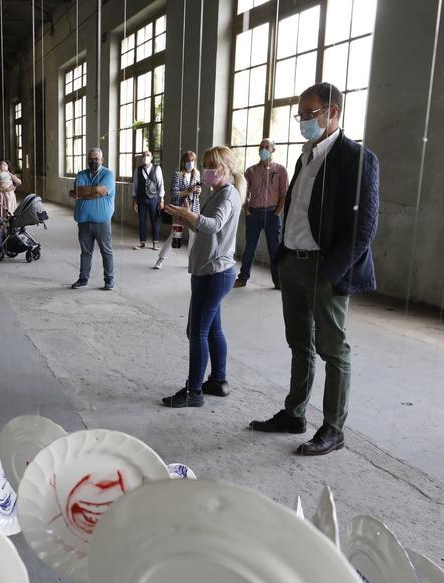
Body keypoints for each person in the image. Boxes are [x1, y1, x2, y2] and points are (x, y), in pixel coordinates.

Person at [249, 82, 380, 457]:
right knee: (299, 343)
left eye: (311, 113)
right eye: (301, 114)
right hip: (293, 262)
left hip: (326, 269)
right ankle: (294, 413)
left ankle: (334, 428)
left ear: (333, 112)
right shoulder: (304, 157)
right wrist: (283, 257)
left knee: (333, 348)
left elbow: (365, 226)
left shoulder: (357, 158)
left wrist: (331, 273)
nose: (304, 121)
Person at [160, 146, 245, 407]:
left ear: (227, 168)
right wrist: (185, 217)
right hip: (211, 270)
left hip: (214, 272)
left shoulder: (228, 195)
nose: (208, 171)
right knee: (212, 329)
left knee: (196, 331)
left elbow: (214, 224)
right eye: (206, 165)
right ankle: (218, 381)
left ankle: (193, 391)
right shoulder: (219, 193)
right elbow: (205, 228)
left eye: (213, 166)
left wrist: (190, 215)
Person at [237, 139, 289, 289]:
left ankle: (278, 281)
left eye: (267, 147)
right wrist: (246, 210)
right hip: (253, 214)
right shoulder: (251, 171)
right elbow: (244, 192)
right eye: (261, 147)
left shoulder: (280, 170)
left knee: (274, 249)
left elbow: (284, 194)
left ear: (273, 150)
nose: (263, 149)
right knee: (250, 248)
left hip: (272, 214)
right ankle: (243, 278)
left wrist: (277, 213)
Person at [69, 148, 116, 290]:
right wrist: (95, 190)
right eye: (91, 159)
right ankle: (83, 279)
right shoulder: (82, 174)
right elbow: (78, 190)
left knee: (106, 251)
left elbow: (99, 190)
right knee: (85, 252)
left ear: (101, 160)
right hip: (83, 221)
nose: (93, 161)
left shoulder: (108, 174)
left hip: (102, 221)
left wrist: (83, 193)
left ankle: (109, 280)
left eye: (96, 159)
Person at [154, 151, 203, 270]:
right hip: (180, 209)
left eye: (192, 161)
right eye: (188, 161)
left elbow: (197, 192)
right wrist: (188, 190)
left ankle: (191, 261)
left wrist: (198, 191)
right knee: (175, 234)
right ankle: (161, 259)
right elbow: (174, 194)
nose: (190, 163)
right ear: (183, 162)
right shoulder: (177, 175)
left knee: (194, 235)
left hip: (194, 209)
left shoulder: (196, 174)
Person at [130, 149, 165, 250]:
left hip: (153, 199)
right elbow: (135, 186)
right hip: (141, 199)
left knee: (155, 220)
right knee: (142, 220)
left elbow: (161, 185)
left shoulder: (157, 169)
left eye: (148, 155)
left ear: (152, 158)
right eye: (144, 155)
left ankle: (155, 242)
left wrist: (161, 199)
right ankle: (142, 242)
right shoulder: (138, 170)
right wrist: (134, 201)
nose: (146, 157)